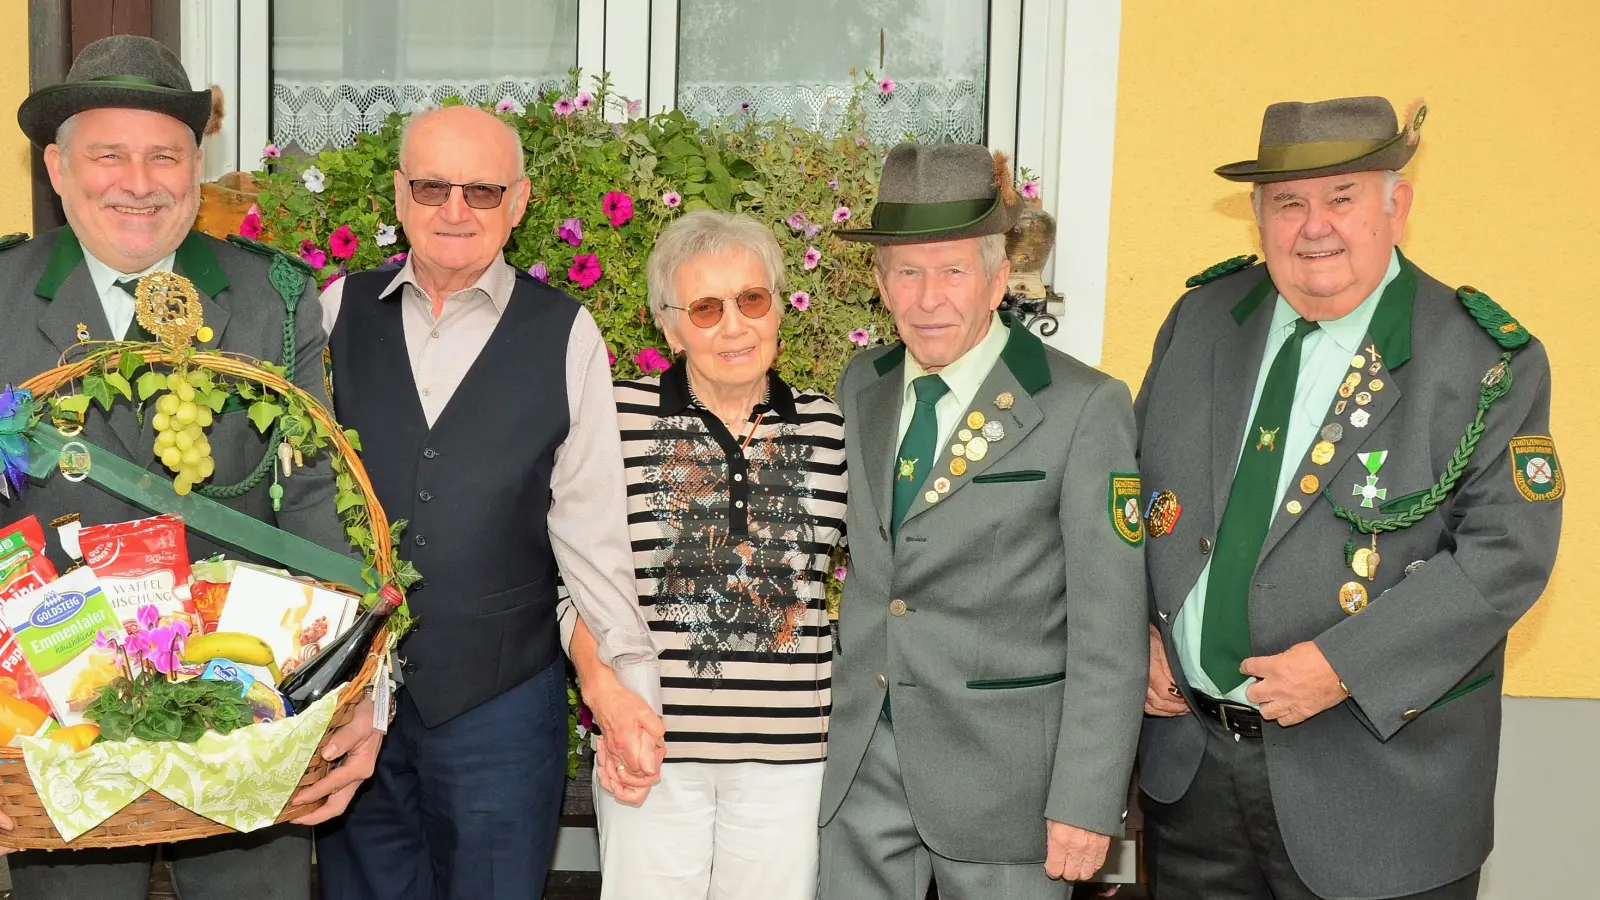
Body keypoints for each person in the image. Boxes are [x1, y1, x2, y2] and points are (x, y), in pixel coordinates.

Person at [1136, 96, 1561, 900]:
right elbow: (1129, 497)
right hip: (1192, 782)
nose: (1314, 227)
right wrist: (1141, 632)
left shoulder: (1479, 359)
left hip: (1379, 796)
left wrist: (1343, 666)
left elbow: (1507, 555)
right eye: (1288, 204)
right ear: (1257, 219)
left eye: (1342, 198)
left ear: (1397, 206)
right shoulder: (1200, 320)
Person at [0, 34, 380, 899]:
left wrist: (355, 692)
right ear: (57, 169)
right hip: (54, 740)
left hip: (245, 717)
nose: (139, 183)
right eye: (109, 155)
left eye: (165, 156)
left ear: (196, 168)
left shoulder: (276, 298)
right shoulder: (1, 298)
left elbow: (319, 501)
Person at [313, 104, 665, 900]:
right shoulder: (334, 312)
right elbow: (302, 495)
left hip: (501, 706)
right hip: (352, 694)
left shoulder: (566, 334)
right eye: (432, 187)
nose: (455, 209)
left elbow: (592, 535)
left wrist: (626, 691)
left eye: (482, 190)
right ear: (399, 195)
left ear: (519, 202)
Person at [817, 143, 1148, 900]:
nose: (928, 298)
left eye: (953, 271)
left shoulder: (1081, 406)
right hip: (863, 772)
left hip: (1009, 787)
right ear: (880, 283)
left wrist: (1087, 799)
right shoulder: (861, 385)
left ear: (999, 280)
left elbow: (1110, 630)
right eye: (907, 272)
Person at [558, 209, 846, 899]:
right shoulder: (611, 420)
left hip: (790, 760)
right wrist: (605, 698)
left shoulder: (831, 426)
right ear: (669, 327)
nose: (734, 327)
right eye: (707, 309)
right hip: (649, 748)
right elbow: (570, 581)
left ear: (779, 308)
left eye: (752, 300)